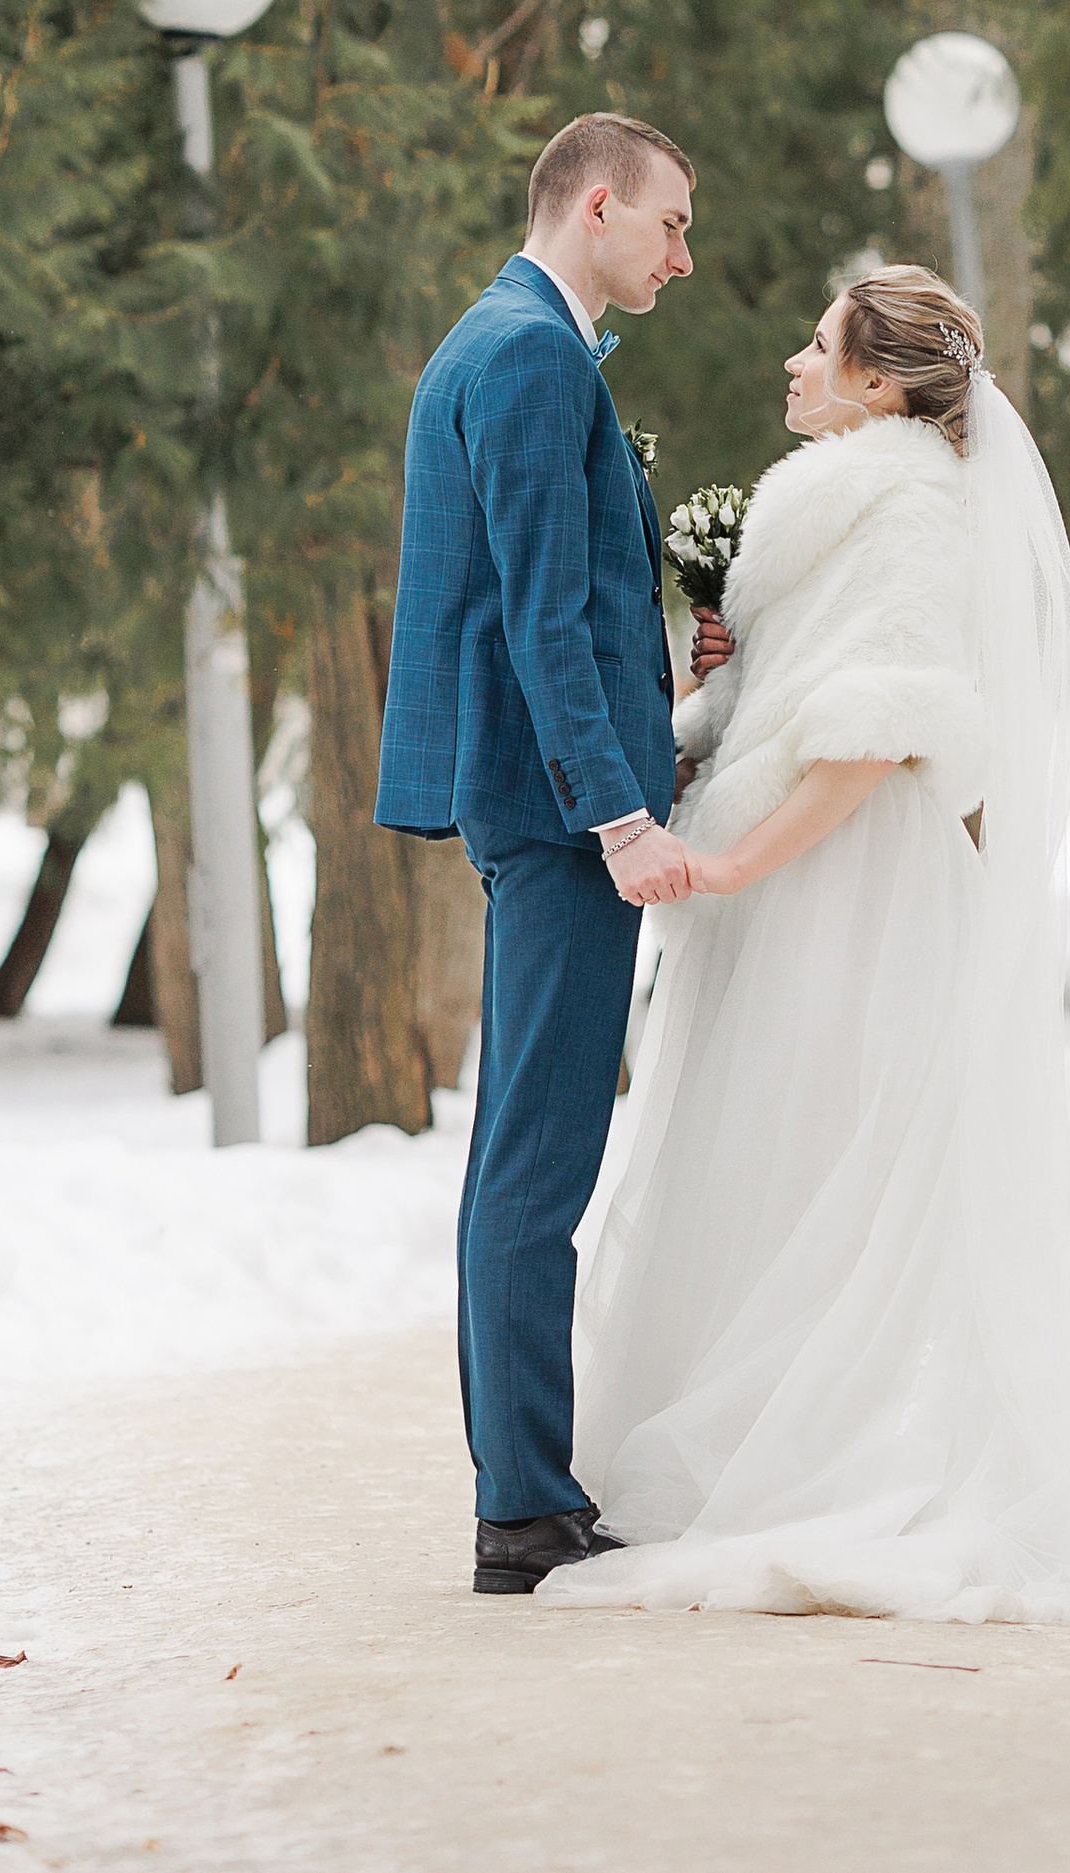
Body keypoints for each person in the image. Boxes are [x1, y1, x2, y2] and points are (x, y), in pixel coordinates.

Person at [553, 265, 1070, 1624]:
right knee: (764, 1167)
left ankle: (823, 1463)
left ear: (880, 385)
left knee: (822, 1170)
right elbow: (798, 700)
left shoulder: (909, 510)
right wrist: (723, 671)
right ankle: (750, 1451)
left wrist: (734, 858)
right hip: (795, 880)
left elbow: (876, 733)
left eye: (820, 346)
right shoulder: (839, 504)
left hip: (847, 889)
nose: (792, 362)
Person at [374, 110, 716, 1599]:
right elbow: (537, 618)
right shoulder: (524, 352)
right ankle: (519, 1504)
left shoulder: (519, 339)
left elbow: (577, 598)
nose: (683, 255)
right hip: (562, 822)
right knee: (537, 1156)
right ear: (596, 205)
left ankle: (526, 1486)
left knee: (528, 1143)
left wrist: (675, 695)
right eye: (671, 225)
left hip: (554, 804)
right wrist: (620, 813)